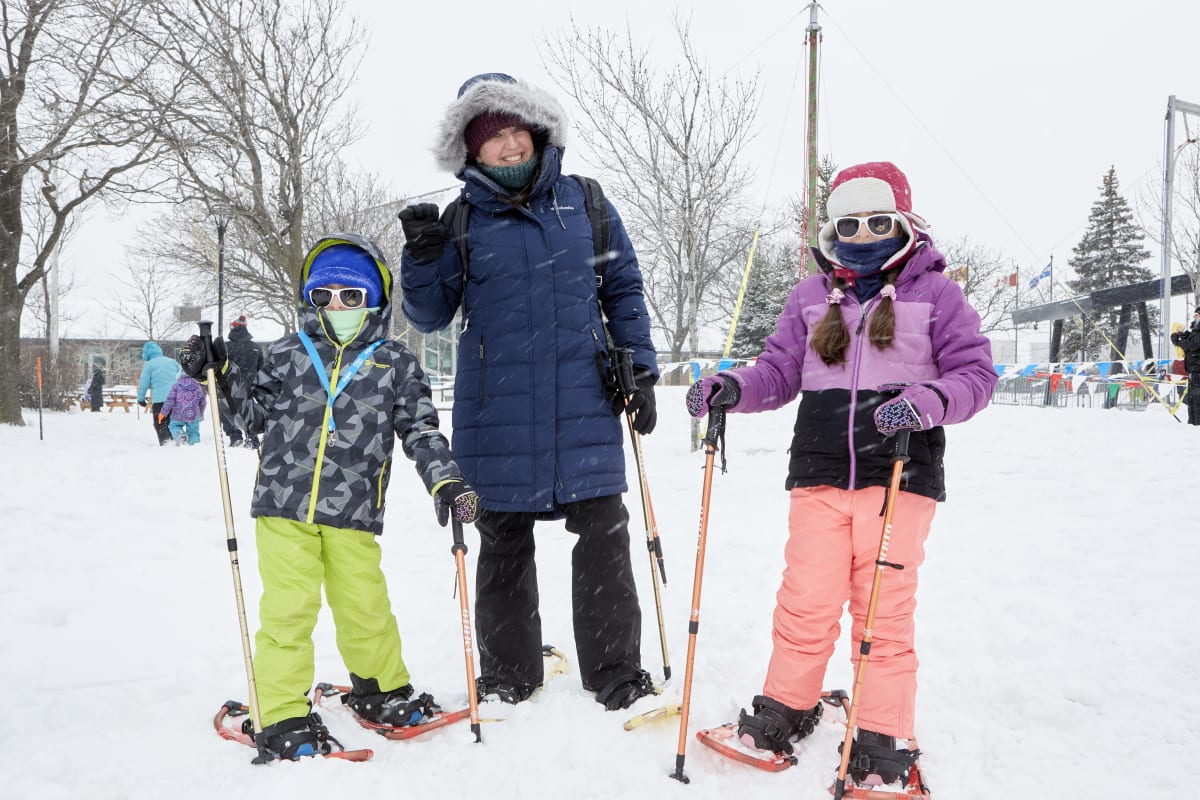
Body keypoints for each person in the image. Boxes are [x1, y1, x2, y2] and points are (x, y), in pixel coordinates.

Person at [686, 162, 998, 786]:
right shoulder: (811, 295)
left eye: (878, 221)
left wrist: (929, 400)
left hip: (900, 474)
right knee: (805, 600)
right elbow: (776, 372)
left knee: (882, 612)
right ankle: (787, 705)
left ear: (905, 223)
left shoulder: (936, 294)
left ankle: (882, 734)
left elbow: (976, 375)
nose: (862, 234)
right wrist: (731, 387)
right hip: (820, 473)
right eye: (848, 223)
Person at [397, 72, 659, 711]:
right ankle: (509, 673)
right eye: (492, 139)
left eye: (516, 131)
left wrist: (642, 368)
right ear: (471, 151)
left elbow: (621, 287)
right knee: (503, 541)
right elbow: (430, 315)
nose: (509, 147)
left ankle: (616, 671)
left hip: (584, 401)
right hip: (497, 410)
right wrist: (422, 259)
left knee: (603, 535)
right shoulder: (459, 221)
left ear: (537, 132)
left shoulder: (586, 204)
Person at [180, 232, 480, 760]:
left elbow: (422, 431)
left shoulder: (395, 363)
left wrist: (445, 479)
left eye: (351, 296)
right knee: (289, 611)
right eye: (323, 297)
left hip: (354, 510)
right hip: (283, 506)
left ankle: (379, 690)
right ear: (309, 301)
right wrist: (221, 373)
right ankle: (281, 712)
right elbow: (252, 420)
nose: (336, 306)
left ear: (376, 301)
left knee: (366, 606)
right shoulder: (287, 355)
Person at [222, 315, 264, 448]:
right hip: (249, 385)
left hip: (230, 384)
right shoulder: (255, 347)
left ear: (233, 329)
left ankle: (235, 436)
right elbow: (261, 368)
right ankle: (252, 437)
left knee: (228, 410)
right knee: (248, 410)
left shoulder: (225, 347)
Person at [136, 341, 181, 445]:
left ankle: (166, 444)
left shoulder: (149, 365)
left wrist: (141, 399)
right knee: (173, 422)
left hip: (160, 401)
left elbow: (143, 383)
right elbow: (182, 377)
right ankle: (177, 442)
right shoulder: (172, 362)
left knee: (160, 423)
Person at [158, 367, 206, 445]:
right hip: (193, 413)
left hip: (178, 413)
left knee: (174, 426)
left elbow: (170, 400)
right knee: (193, 431)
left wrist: (163, 413)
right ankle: (195, 445)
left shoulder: (176, 386)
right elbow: (203, 401)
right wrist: (200, 414)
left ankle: (180, 436)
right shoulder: (197, 386)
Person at [1170, 307, 1200, 425]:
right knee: (1192, 397)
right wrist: (1183, 335)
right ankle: (1193, 423)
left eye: (1197, 315)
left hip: (1198, 369)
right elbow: (1191, 340)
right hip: (1193, 370)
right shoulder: (1195, 331)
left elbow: (1192, 346)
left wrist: (1177, 340)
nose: (1195, 317)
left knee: (1197, 398)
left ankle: (1197, 423)